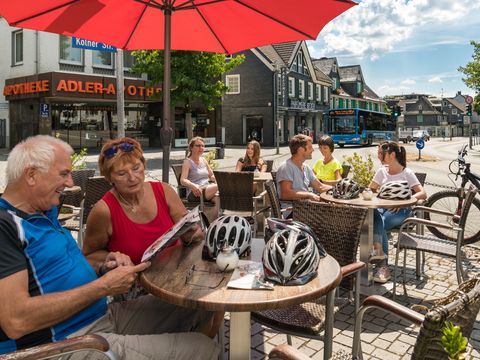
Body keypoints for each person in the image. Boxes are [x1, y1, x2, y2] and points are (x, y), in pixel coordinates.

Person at [0, 135, 219, 359]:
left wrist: (107, 263)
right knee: (203, 349)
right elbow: (16, 321)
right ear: (31, 175)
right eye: (64, 174)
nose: (70, 183)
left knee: (200, 304)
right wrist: (103, 287)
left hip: (102, 315)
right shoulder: (5, 226)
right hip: (70, 340)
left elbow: (75, 264)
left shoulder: (42, 211)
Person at [368, 141, 427, 283]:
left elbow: (423, 193)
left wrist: (405, 200)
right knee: (373, 215)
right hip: (382, 210)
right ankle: (383, 264)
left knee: (373, 224)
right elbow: (370, 189)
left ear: (392, 155)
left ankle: (378, 262)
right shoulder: (381, 172)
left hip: (402, 212)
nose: (379, 156)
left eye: (382, 153)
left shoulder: (407, 173)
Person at [276, 134, 332, 209]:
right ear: (300, 150)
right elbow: (285, 193)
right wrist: (309, 195)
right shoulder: (286, 167)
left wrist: (338, 189)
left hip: (306, 208)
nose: (313, 150)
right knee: (333, 214)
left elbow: (320, 187)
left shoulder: (306, 167)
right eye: (310, 147)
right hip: (293, 210)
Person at [180, 136, 218, 203]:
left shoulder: (203, 160)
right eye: (198, 146)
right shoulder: (187, 162)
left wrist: (215, 179)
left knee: (217, 199)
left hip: (207, 188)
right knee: (221, 186)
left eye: (203, 146)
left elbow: (211, 175)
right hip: (195, 192)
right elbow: (183, 180)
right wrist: (193, 185)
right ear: (191, 148)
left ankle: (212, 214)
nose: (201, 148)